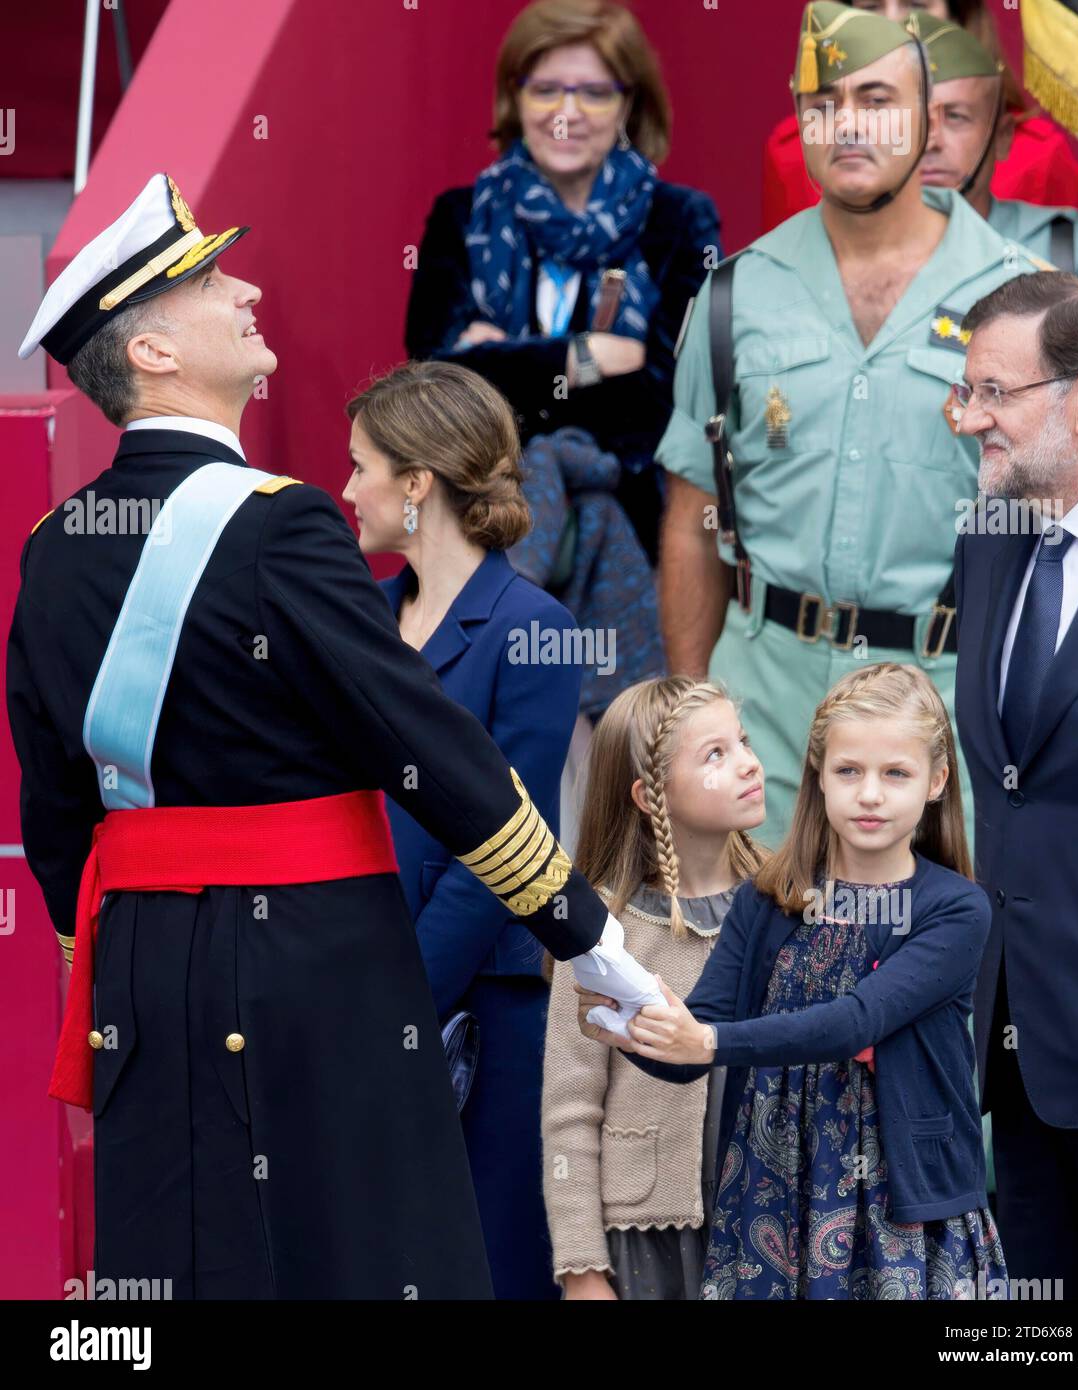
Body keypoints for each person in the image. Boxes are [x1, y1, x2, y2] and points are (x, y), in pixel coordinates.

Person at [5, 172, 643, 1300]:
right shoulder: (281, 523)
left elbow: (57, 813)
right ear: (151, 353)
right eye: (209, 280)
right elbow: (427, 744)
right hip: (311, 964)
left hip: (143, 973)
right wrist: (588, 936)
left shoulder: (54, 545)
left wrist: (109, 967)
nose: (244, 286)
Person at [657, 0, 1045, 847]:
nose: (847, 126)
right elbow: (693, 517)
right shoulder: (734, 295)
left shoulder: (1024, 300)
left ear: (928, 115)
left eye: (876, 99)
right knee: (747, 964)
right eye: (820, 103)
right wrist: (691, 710)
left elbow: (1063, 536)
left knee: (934, 969)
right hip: (762, 706)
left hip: (941, 713)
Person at [580, 663, 1007, 1300]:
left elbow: (856, 1021)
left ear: (937, 781)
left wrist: (705, 1042)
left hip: (902, 1199)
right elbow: (694, 1046)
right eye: (848, 771)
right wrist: (639, 1024)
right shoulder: (769, 899)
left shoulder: (954, 909)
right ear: (818, 776)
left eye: (896, 773)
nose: (870, 794)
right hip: (771, 1186)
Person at [340, 358, 582, 1301]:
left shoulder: (535, 628)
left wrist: (399, 992)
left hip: (481, 1004)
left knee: (484, 1265)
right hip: (353, 988)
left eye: (360, 465)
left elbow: (504, 855)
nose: (346, 488)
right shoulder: (358, 615)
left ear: (417, 483)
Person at [404, 0, 721, 565]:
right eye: (545, 89)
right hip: (473, 524)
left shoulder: (680, 220)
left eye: (594, 93)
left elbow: (665, 396)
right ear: (514, 96)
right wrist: (583, 357)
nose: (565, 113)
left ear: (629, 102)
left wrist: (496, 359)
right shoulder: (460, 215)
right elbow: (433, 387)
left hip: (630, 533)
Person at [953, 271, 1078, 1299]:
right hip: (1011, 1052)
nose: (967, 418)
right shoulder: (989, 538)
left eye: (992, 394)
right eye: (962, 390)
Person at [541, 676, 766, 1300]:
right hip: (650, 1233)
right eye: (715, 754)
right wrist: (583, 1270)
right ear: (649, 795)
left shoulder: (788, 905)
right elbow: (569, 1110)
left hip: (772, 1221)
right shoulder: (597, 935)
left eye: (742, 741)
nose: (749, 763)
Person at [761, 0, 1078, 234]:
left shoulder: (1037, 153)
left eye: (916, 5)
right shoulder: (799, 149)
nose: (892, 22)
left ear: (959, 16)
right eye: (871, 8)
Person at [913, 11, 1078, 285]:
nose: (931, 142)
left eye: (955, 117)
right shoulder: (843, 250)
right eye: (912, 120)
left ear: (1002, 136)